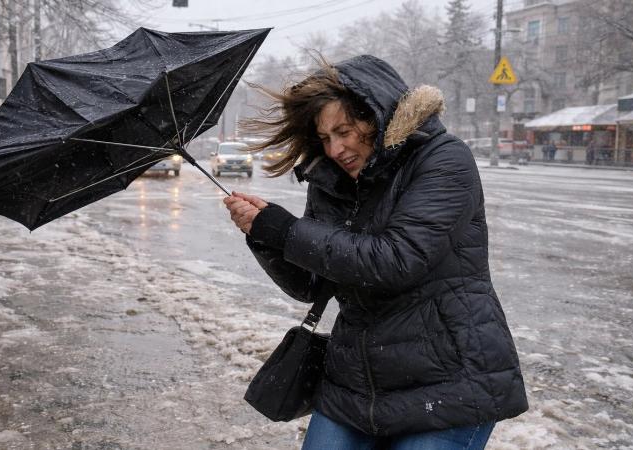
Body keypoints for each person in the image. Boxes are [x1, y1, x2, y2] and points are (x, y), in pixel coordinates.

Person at [223, 55, 528, 449]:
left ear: (377, 114)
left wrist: (288, 232)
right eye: (325, 138)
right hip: (355, 382)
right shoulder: (330, 182)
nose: (335, 149)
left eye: (344, 131)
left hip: (448, 383)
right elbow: (313, 283)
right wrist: (264, 235)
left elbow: (397, 259)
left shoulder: (444, 159)